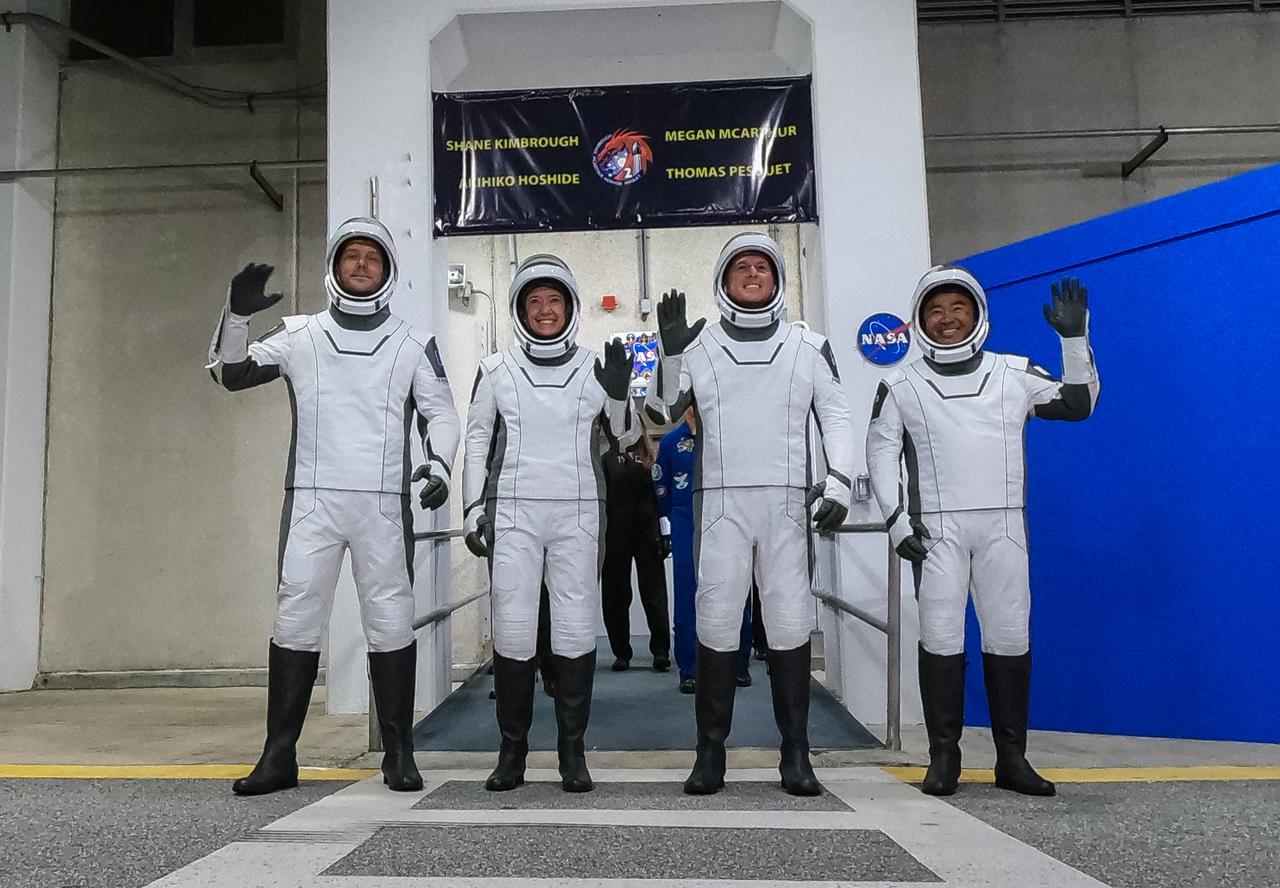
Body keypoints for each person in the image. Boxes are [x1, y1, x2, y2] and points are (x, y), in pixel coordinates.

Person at [207, 217, 460, 796]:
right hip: (312, 502)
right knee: (295, 617)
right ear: (335, 266)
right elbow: (232, 373)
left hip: (383, 505)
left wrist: (439, 465)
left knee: (391, 619)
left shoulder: (412, 342)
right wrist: (238, 316)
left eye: (373, 256)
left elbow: (441, 414)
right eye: (352, 255)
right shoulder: (301, 333)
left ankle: (399, 751)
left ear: (388, 268)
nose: (362, 264)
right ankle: (278, 756)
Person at [866, 267, 1099, 798]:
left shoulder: (1011, 372)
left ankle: (1011, 759)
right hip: (937, 535)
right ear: (920, 320)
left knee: (1010, 638)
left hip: (1004, 528)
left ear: (977, 314)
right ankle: (943, 758)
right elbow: (880, 456)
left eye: (958, 308)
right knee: (941, 639)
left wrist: (1074, 340)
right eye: (935, 311)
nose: (947, 320)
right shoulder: (900, 384)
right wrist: (897, 521)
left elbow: (1079, 404)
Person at [646, 233, 855, 796]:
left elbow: (836, 414)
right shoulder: (700, 345)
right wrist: (668, 355)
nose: (753, 274)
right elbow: (662, 410)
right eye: (742, 267)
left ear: (778, 277)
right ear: (724, 279)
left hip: (787, 504)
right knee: (715, 623)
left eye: (763, 266)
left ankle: (795, 755)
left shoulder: (810, 345)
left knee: (788, 626)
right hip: (721, 504)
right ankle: (710, 754)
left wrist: (838, 479)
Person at [462, 253, 639, 794]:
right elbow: (473, 444)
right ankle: (511, 752)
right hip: (513, 512)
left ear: (570, 307)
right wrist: (473, 508)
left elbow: (630, 442)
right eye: (535, 301)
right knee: (514, 632)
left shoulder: (595, 367)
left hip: (580, 514)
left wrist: (618, 393)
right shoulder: (494, 370)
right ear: (520, 307)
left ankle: (572, 753)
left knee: (574, 629)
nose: (544, 310)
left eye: (554, 301)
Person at [654, 408, 754, 695]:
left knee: (735, 589)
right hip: (686, 521)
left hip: (725, 516)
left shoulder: (726, 434)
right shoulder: (672, 442)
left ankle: (738, 663)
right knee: (687, 595)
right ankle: (690, 669)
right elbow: (662, 487)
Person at [601, 435, 671, 673]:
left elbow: (661, 497)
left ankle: (661, 650)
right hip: (615, 530)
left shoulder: (652, 458)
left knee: (654, 590)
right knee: (615, 593)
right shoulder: (606, 459)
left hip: (647, 528)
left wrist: (665, 532)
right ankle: (621, 652)